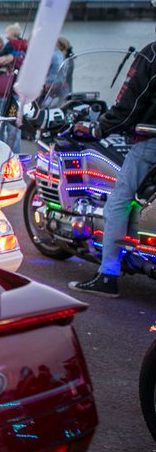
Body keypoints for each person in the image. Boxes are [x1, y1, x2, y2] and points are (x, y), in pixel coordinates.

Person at [69, 35, 156, 297]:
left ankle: (108, 275)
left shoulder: (151, 54)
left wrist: (100, 127)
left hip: (150, 141)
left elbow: (130, 102)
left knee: (119, 201)